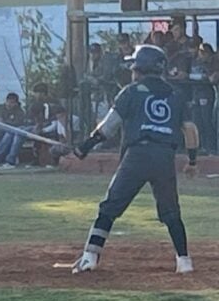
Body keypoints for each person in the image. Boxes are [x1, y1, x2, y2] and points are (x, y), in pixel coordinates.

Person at [71, 44, 194, 274]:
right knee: (171, 212)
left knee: (109, 208)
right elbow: (190, 130)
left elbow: (109, 126)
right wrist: (193, 160)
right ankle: (184, 262)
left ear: (140, 67)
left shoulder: (130, 91)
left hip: (137, 156)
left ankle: (89, 258)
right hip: (165, 157)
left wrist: (85, 146)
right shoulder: (176, 94)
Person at [0, 92, 29, 169]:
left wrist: (5, 122)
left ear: (16, 103)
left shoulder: (20, 112)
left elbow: (18, 125)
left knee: (9, 134)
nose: (9, 104)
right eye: (8, 102)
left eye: (12, 103)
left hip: (7, 132)